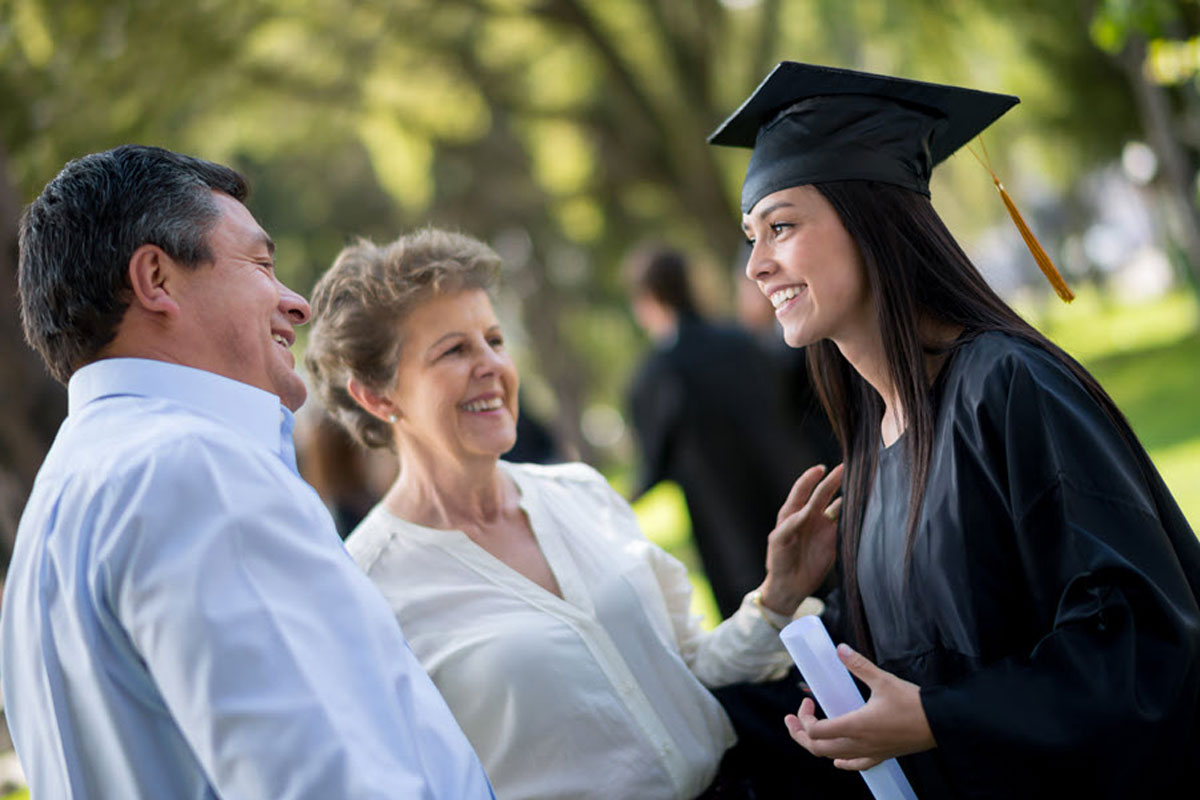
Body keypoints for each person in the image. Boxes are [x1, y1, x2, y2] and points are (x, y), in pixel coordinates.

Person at [708, 61, 1200, 798]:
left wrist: (941, 716)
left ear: (871, 217)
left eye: (781, 227)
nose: (756, 266)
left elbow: (1138, 640)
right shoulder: (875, 447)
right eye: (751, 237)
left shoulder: (1008, 388)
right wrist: (784, 600)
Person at [0, 145, 494, 799]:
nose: (298, 305)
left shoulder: (54, 511)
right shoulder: (191, 471)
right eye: (261, 265)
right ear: (156, 280)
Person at [304, 228, 863, 800]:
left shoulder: (581, 492)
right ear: (378, 396)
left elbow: (686, 674)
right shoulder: (365, 589)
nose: (492, 365)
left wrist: (776, 599)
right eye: (454, 349)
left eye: (494, 339)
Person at [625, 244, 822, 619]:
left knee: (766, 626)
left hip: (727, 529)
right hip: (791, 496)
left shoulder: (656, 376)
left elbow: (654, 465)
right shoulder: (745, 343)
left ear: (647, 299)